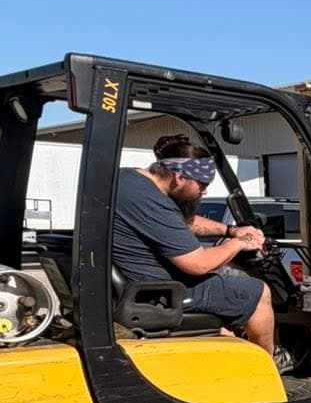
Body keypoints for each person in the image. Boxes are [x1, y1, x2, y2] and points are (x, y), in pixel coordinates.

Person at [111, 135, 276, 356]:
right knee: (256, 292)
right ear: (179, 177)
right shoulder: (152, 202)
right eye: (202, 185)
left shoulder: (129, 181)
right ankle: (268, 362)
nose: (204, 192)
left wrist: (229, 230)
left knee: (227, 292)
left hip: (130, 284)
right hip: (160, 294)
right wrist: (240, 243)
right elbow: (198, 264)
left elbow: (184, 223)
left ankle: (230, 343)